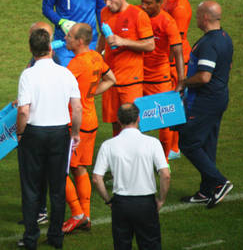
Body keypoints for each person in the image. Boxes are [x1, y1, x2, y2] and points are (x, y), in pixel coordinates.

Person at [17, 28, 82, 249]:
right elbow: (77, 108)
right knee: (57, 187)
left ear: (31, 50)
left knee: (31, 188)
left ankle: (31, 238)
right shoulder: (65, 74)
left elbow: (24, 111)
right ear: (51, 49)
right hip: (59, 135)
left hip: (34, 134)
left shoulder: (28, 75)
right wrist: (74, 134)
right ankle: (56, 237)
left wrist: (19, 132)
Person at [178, 1, 234, 208]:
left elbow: (203, 77)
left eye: (198, 14)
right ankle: (206, 190)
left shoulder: (209, 44)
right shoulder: (224, 37)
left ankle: (219, 182)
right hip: (219, 98)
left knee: (188, 142)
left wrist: (183, 82)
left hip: (205, 101)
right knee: (208, 144)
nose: (196, 18)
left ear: (205, 18)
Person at [93, 103, 170, 250]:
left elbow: (97, 178)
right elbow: (165, 175)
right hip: (146, 203)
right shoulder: (152, 143)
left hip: (121, 204)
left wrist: (109, 201)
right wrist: (161, 200)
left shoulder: (108, 145)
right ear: (139, 118)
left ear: (118, 120)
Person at [62, 23, 116, 233]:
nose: (66, 38)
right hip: (90, 120)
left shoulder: (75, 65)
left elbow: (59, 93)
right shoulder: (95, 56)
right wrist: (90, 94)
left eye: (70, 36)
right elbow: (111, 79)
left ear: (80, 41)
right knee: (80, 168)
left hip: (74, 123)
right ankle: (86, 216)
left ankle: (77, 213)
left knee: (60, 170)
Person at [98, 0, 154, 136]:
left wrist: (123, 42)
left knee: (132, 123)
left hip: (131, 80)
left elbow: (150, 45)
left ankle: (135, 158)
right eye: (104, 0)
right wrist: (96, 58)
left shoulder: (138, 15)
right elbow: (103, 37)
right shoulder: (104, 13)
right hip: (110, 79)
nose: (107, 4)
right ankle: (118, 158)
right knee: (115, 122)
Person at [140, 0, 185, 158]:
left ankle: (164, 159)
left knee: (165, 121)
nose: (144, 6)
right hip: (138, 76)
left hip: (159, 78)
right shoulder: (138, 14)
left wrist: (181, 80)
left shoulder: (167, 22)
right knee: (133, 120)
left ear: (160, 3)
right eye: (142, 2)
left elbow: (178, 51)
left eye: (149, 3)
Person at [159, 0, 193, 159]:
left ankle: (174, 148)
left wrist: (165, 61)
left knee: (172, 101)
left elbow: (176, 43)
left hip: (175, 61)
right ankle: (173, 145)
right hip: (169, 58)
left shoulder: (179, 7)